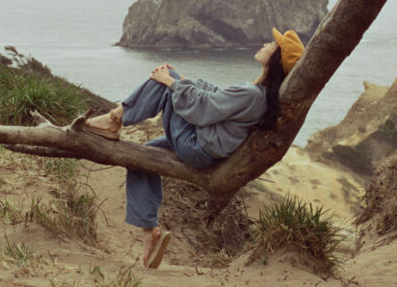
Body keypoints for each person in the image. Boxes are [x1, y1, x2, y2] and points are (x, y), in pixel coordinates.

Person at [83, 27, 305, 268]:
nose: (266, 43)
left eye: (273, 44)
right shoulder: (257, 93)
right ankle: (150, 232)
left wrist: (170, 82)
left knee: (163, 85)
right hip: (205, 144)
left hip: (197, 146)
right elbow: (215, 95)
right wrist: (180, 79)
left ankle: (114, 119)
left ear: (276, 59)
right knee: (142, 157)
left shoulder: (253, 95)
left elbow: (205, 109)